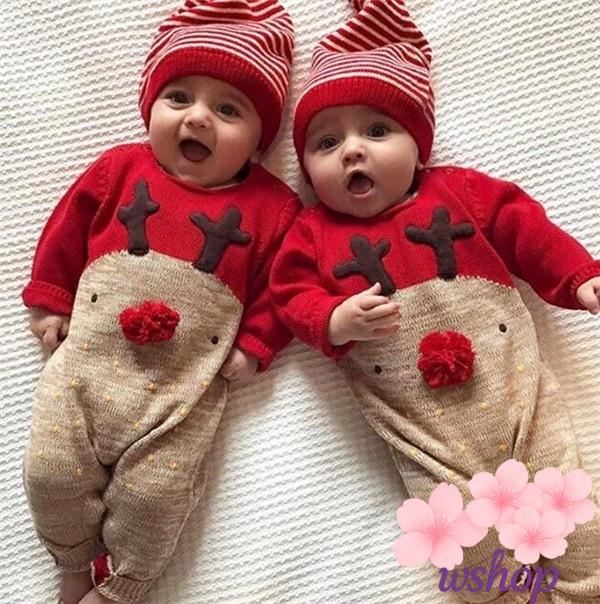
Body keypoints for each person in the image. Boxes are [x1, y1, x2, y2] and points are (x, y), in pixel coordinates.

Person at [270, 0, 600, 601]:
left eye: (377, 131)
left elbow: (525, 229)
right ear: (309, 171)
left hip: (518, 398)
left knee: (565, 505)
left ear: (418, 146)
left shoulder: (460, 192)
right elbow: (288, 293)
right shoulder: (311, 233)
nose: (352, 150)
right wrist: (334, 318)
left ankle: (583, 589)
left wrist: (576, 275)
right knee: (462, 541)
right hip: (424, 434)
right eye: (326, 142)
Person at [21, 1, 299, 602]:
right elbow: (67, 229)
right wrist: (52, 298)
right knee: (50, 471)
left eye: (228, 110)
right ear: (150, 108)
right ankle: (72, 564)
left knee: (156, 498)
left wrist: (257, 342)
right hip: (86, 371)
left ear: (259, 141)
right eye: (179, 98)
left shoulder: (273, 207)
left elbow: (286, 286)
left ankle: (122, 586)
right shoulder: (119, 169)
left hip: (182, 395)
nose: (198, 117)